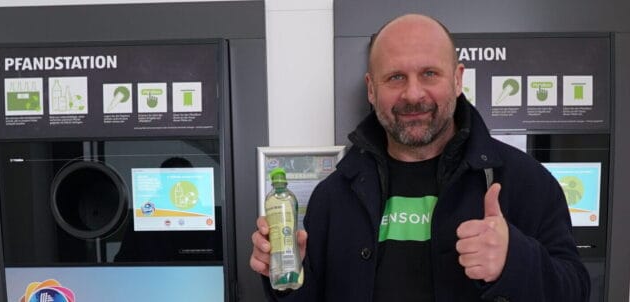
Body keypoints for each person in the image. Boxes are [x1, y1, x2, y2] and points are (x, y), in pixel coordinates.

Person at [250, 13, 590, 301]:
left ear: (457, 79)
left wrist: (515, 260)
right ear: (372, 89)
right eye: (395, 77)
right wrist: (285, 278)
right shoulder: (333, 196)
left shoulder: (525, 181)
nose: (413, 94)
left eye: (429, 73)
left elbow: (576, 290)